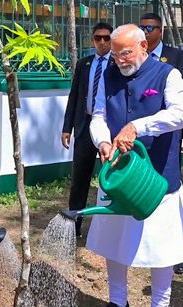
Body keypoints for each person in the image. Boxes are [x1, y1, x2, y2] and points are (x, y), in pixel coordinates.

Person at [87, 24, 183, 307]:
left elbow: (178, 115)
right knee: (114, 242)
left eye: (125, 52)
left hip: (157, 176)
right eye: (114, 54)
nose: (119, 60)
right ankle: (118, 304)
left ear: (144, 46)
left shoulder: (167, 74)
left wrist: (138, 126)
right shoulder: (109, 74)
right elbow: (99, 114)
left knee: (162, 248)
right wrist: (102, 139)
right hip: (118, 174)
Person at [139, 12, 183, 275]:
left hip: (169, 137)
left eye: (149, 28)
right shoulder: (135, 57)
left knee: (171, 195)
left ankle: (178, 252)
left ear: (160, 30)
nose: (145, 32)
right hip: (140, 140)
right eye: (141, 28)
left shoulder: (175, 57)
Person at [62, 22, 113, 239]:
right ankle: (74, 229)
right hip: (84, 128)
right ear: (92, 40)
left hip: (108, 132)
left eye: (106, 38)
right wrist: (67, 128)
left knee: (111, 180)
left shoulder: (118, 64)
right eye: (98, 38)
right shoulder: (84, 64)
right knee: (79, 181)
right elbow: (74, 97)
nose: (102, 42)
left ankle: (109, 231)